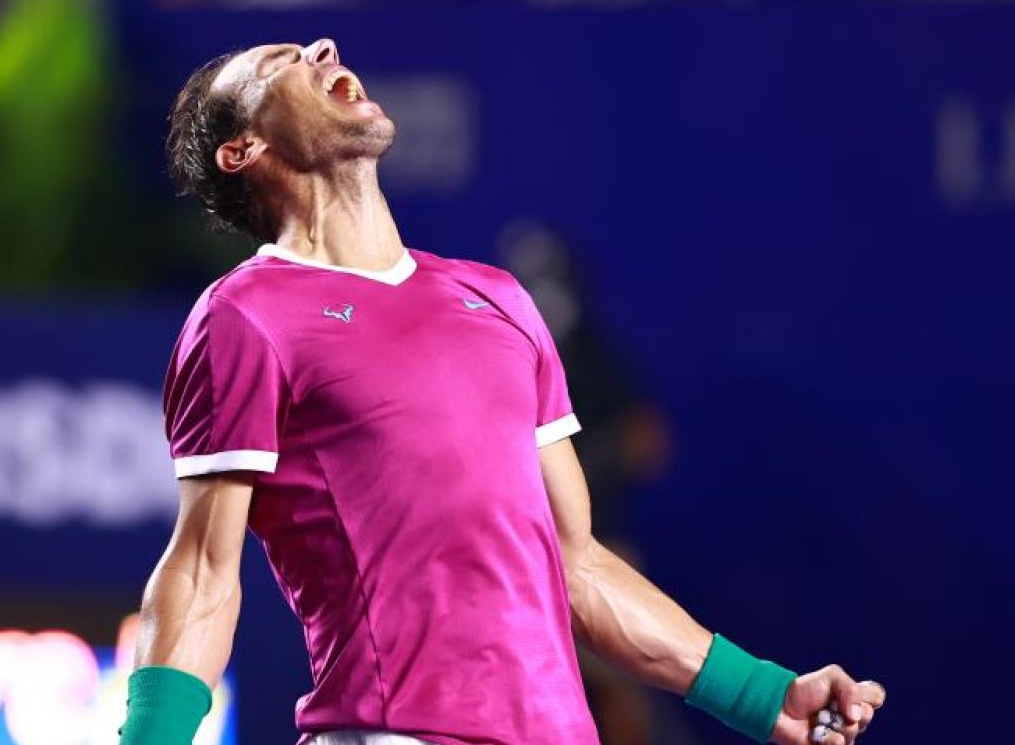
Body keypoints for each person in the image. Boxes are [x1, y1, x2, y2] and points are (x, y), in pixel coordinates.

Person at [118, 38, 887, 745]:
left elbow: (576, 564)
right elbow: (202, 572)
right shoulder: (245, 317)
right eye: (282, 60)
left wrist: (761, 694)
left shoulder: (499, 301)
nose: (321, 48)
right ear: (242, 149)